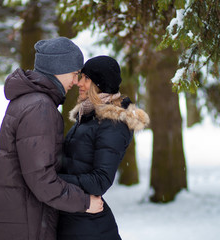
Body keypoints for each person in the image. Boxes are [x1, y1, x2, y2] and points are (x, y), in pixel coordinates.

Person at [0, 37, 104, 240]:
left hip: (18, 220)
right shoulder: (40, 107)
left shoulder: (29, 100)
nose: (76, 82)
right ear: (58, 70)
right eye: (75, 74)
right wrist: (85, 202)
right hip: (26, 226)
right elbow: (42, 180)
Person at [57, 55, 150, 240]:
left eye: (86, 78)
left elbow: (100, 181)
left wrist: (53, 180)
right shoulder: (89, 116)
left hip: (90, 228)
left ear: (99, 84)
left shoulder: (112, 124)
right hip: (75, 218)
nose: (78, 83)